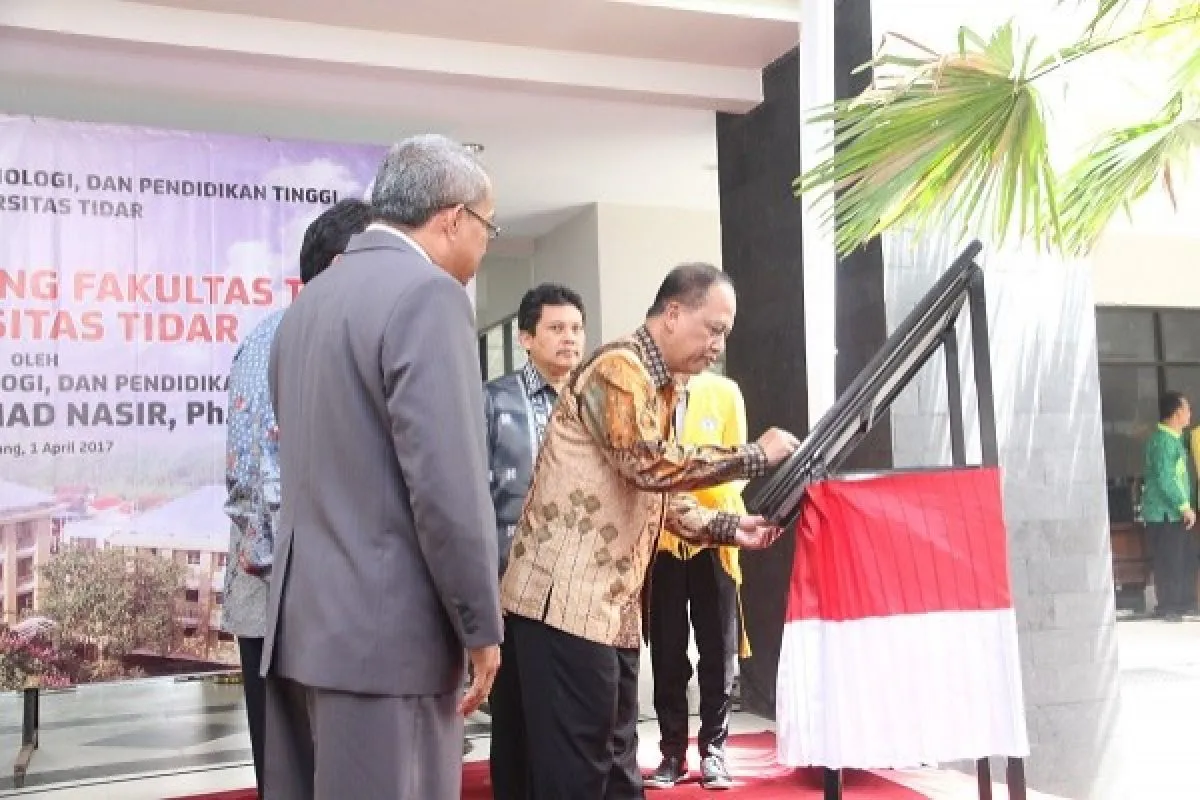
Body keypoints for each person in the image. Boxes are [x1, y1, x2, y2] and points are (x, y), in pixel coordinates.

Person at [497, 263, 799, 800]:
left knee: (616, 771)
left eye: (725, 333)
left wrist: (732, 527)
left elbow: (658, 494)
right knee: (577, 774)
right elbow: (648, 464)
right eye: (714, 329)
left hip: (607, 613)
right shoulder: (619, 369)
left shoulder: (661, 386)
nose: (718, 345)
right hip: (562, 607)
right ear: (673, 313)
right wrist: (754, 455)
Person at [260, 134, 504, 800]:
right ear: (452, 218)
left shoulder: (304, 307)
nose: (485, 245)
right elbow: (448, 488)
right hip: (387, 640)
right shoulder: (429, 296)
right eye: (487, 227)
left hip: (303, 630)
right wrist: (480, 627)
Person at [220, 198, 370, 796]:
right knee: (292, 774)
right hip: (282, 599)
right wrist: (309, 583)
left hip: (324, 598)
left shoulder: (344, 336)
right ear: (338, 266)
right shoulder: (276, 340)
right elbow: (257, 483)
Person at [485, 283, 587, 800]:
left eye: (577, 328)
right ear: (526, 338)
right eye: (556, 328)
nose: (570, 339)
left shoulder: (593, 401)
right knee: (515, 722)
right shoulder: (493, 400)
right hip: (511, 588)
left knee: (568, 727)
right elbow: (474, 497)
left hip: (578, 591)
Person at [645, 370, 750, 791]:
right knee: (667, 651)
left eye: (714, 339)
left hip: (715, 538)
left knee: (718, 650)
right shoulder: (648, 390)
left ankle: (714, 751)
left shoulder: (725, 391)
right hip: (662, 541)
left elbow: (739, 465)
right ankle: (672, 752)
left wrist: (701, 503)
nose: (707, 344)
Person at [1143, 390, 1196, 622]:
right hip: (1164, 514)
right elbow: (1166, 479)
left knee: (1185, 558)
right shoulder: (1163, 442)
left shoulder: (1175, 439)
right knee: (1169, 561)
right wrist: (1184, 505)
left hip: (1176, 515)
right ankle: (1169, 606)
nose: (1190, 413)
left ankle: (1185, 603)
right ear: (1176, 413)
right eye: (1187, 409)